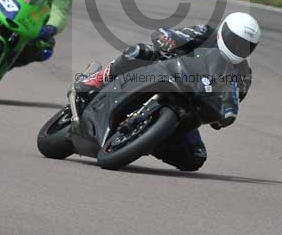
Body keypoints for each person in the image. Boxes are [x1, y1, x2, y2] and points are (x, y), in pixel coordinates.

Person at [72, 12, 260, 171]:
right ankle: (96, 80)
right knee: (139, 52)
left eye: (245, 46)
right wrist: (167, 39)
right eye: (235, 41)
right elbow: (166, 34)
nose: (238, 48)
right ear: (223, 32)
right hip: (165, 72)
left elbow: (232, 101)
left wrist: (222, 117)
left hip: (190, 104)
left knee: (195, 159)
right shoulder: (204, 33)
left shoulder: (242, 74)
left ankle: (151, 139)